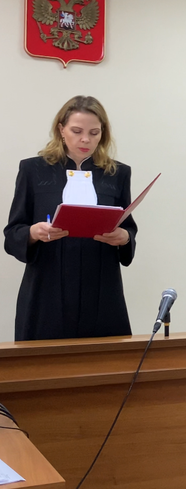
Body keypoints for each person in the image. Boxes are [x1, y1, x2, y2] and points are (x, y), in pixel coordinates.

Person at [4, 95, 137, 341]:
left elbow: (128, 229)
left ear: (103, 134)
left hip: (100, 286)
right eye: (77, 131)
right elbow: (13, 232)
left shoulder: (117, 173)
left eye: (94, 132)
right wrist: (34, 232)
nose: (85, 139)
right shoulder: (33, 170)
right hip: (47, 285)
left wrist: (124, 238)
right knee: (43, 367)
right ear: (61, 130)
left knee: (103, 366)